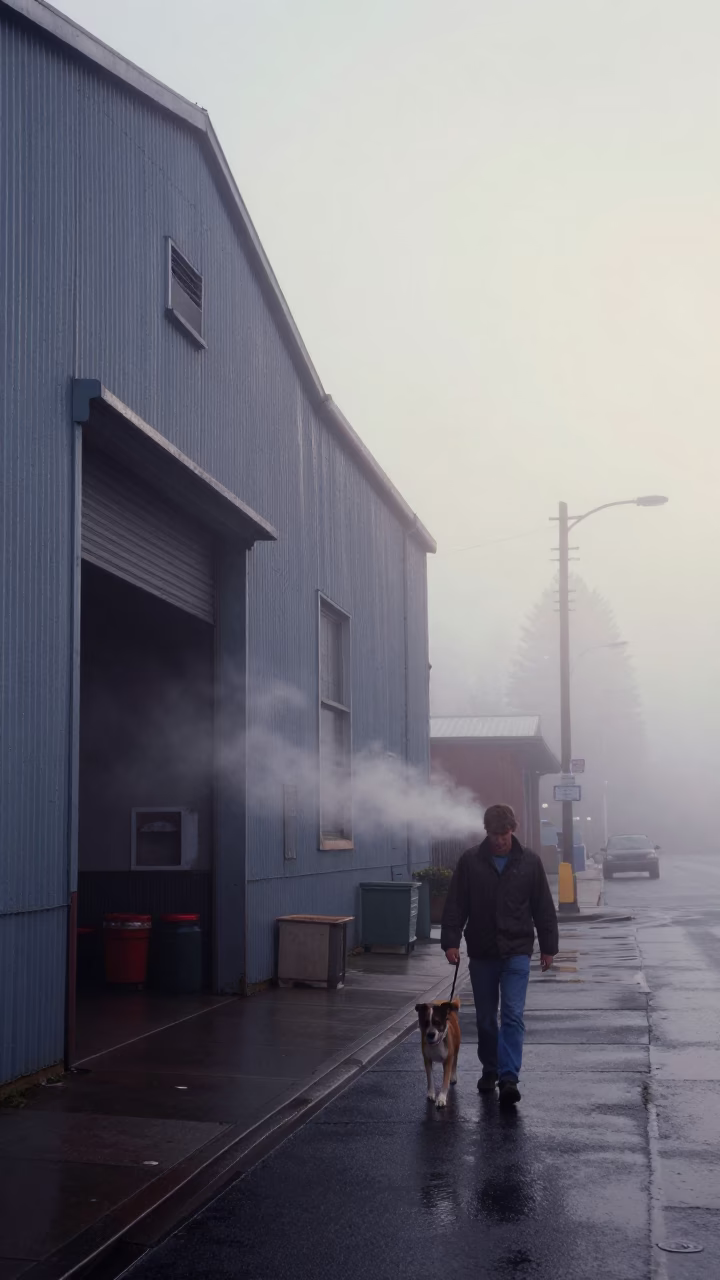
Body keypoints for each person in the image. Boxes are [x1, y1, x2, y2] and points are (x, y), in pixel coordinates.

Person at [441, 802, 559, 1107]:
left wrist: (548, 947)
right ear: (487, 832)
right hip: (483, 951)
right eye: (494, 835)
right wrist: (450, 941)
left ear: (512, 831)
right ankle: (490, 1069)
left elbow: (543, 907)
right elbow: (456, 904)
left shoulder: (529, 862)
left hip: (517, 950)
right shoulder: (471, 862)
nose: (499, 840)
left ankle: (509, 1077)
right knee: (484, 1019)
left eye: (504, 834)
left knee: (512, 1014)